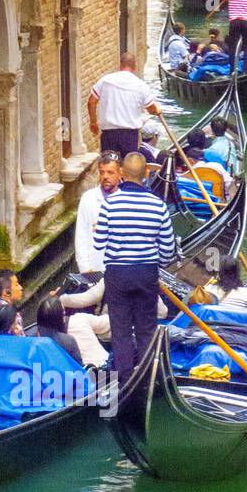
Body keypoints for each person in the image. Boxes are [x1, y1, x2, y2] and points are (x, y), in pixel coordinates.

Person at [93, 152, 177, 382]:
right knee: (146, 329)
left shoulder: (110, 204)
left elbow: (98, 243)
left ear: (121, 174)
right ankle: (146, 378)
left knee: (120, 331)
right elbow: (168, 252)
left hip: (117, 274)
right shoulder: (159, 206)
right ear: (147, 173)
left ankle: (125, 381)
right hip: (145, 273)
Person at [87, 52, 161, 157]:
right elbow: (151, 109)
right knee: (128, 168)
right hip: (130, 136)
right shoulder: (141, 85)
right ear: (135, 66)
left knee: (109, 165)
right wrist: (157, 110)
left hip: (109, 134)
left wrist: (93, 123)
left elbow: (91, 102)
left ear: (120, 65)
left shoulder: (105, 80)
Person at [74, 151, 122, 274]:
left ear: (120, 173)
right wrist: (84, 268)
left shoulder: (127, 200)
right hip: (94, 268)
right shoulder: (88, 198)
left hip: (120, 270)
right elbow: (81, 235)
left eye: (110, 172)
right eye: (102, 172)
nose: (105, 176)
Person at [35, 295, 107, 368]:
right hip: (101, 369)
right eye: (63, 312)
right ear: (62, 317)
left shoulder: (35, 341)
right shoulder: (69, 340)